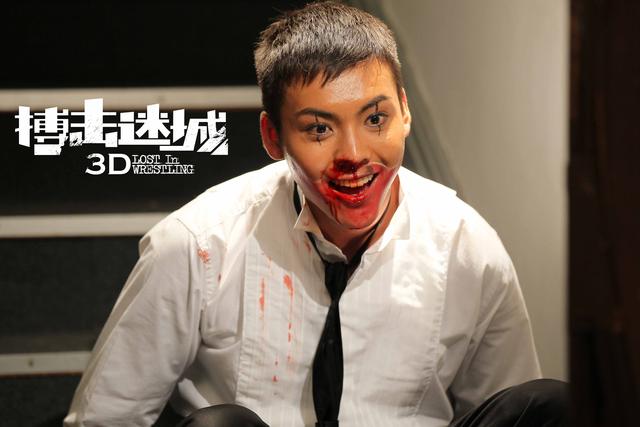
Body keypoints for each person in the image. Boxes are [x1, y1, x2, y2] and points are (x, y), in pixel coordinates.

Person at [64, 2, 567, 426]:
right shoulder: (197, 243)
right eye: (319, 129)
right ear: (272, 138)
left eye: (376, 118)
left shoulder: (467, 247)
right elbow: (105, 417)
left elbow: (506, 407)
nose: (354, 155)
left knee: (549, 405)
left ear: (405, 112)